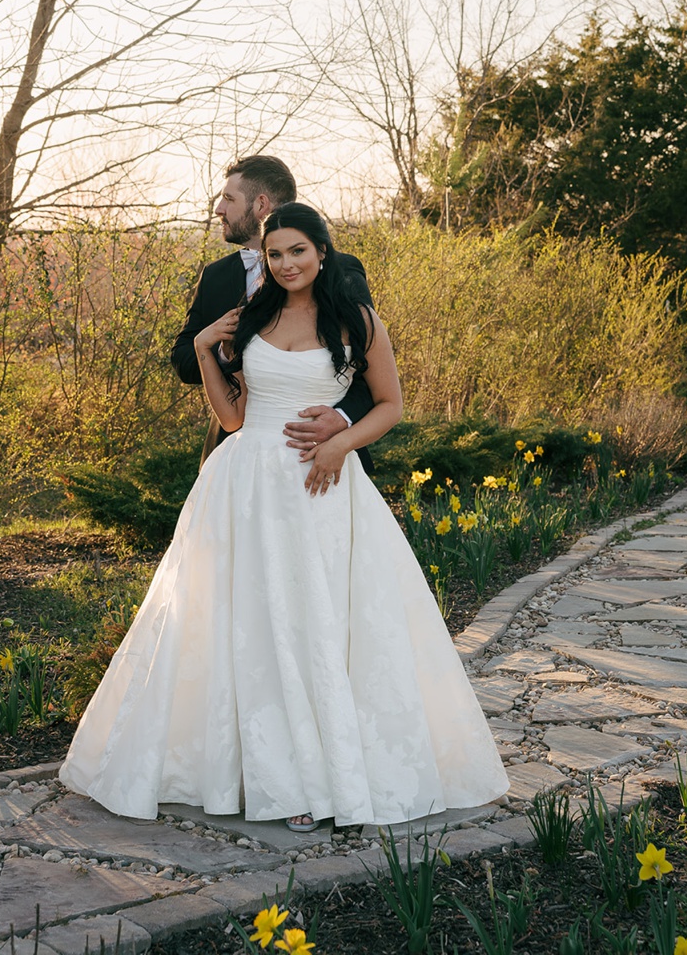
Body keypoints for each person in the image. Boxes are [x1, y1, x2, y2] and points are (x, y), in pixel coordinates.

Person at [62, 203, 508, 832]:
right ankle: (263, 775)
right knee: (245, 627)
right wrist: (204, 348)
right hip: (243, 487)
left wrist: (338, 443)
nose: (287, 263)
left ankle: (322, 775)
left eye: (298, 250)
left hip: (319, 490)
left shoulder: (355, 319)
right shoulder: (254, 317)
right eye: (275, 254)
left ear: (322, 252)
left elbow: (390, 405)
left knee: (313, 621)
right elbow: (233, 419)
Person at [171, 155, 373, 471]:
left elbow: (366, 363)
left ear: (261, 204)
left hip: (322, 455)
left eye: (228, 198)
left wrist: (342, 420)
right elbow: (183, 360)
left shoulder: (342, 272)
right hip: (236, 453)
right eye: (275, 256)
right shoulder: (216, 276)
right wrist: (227, 352)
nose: (218, 210)